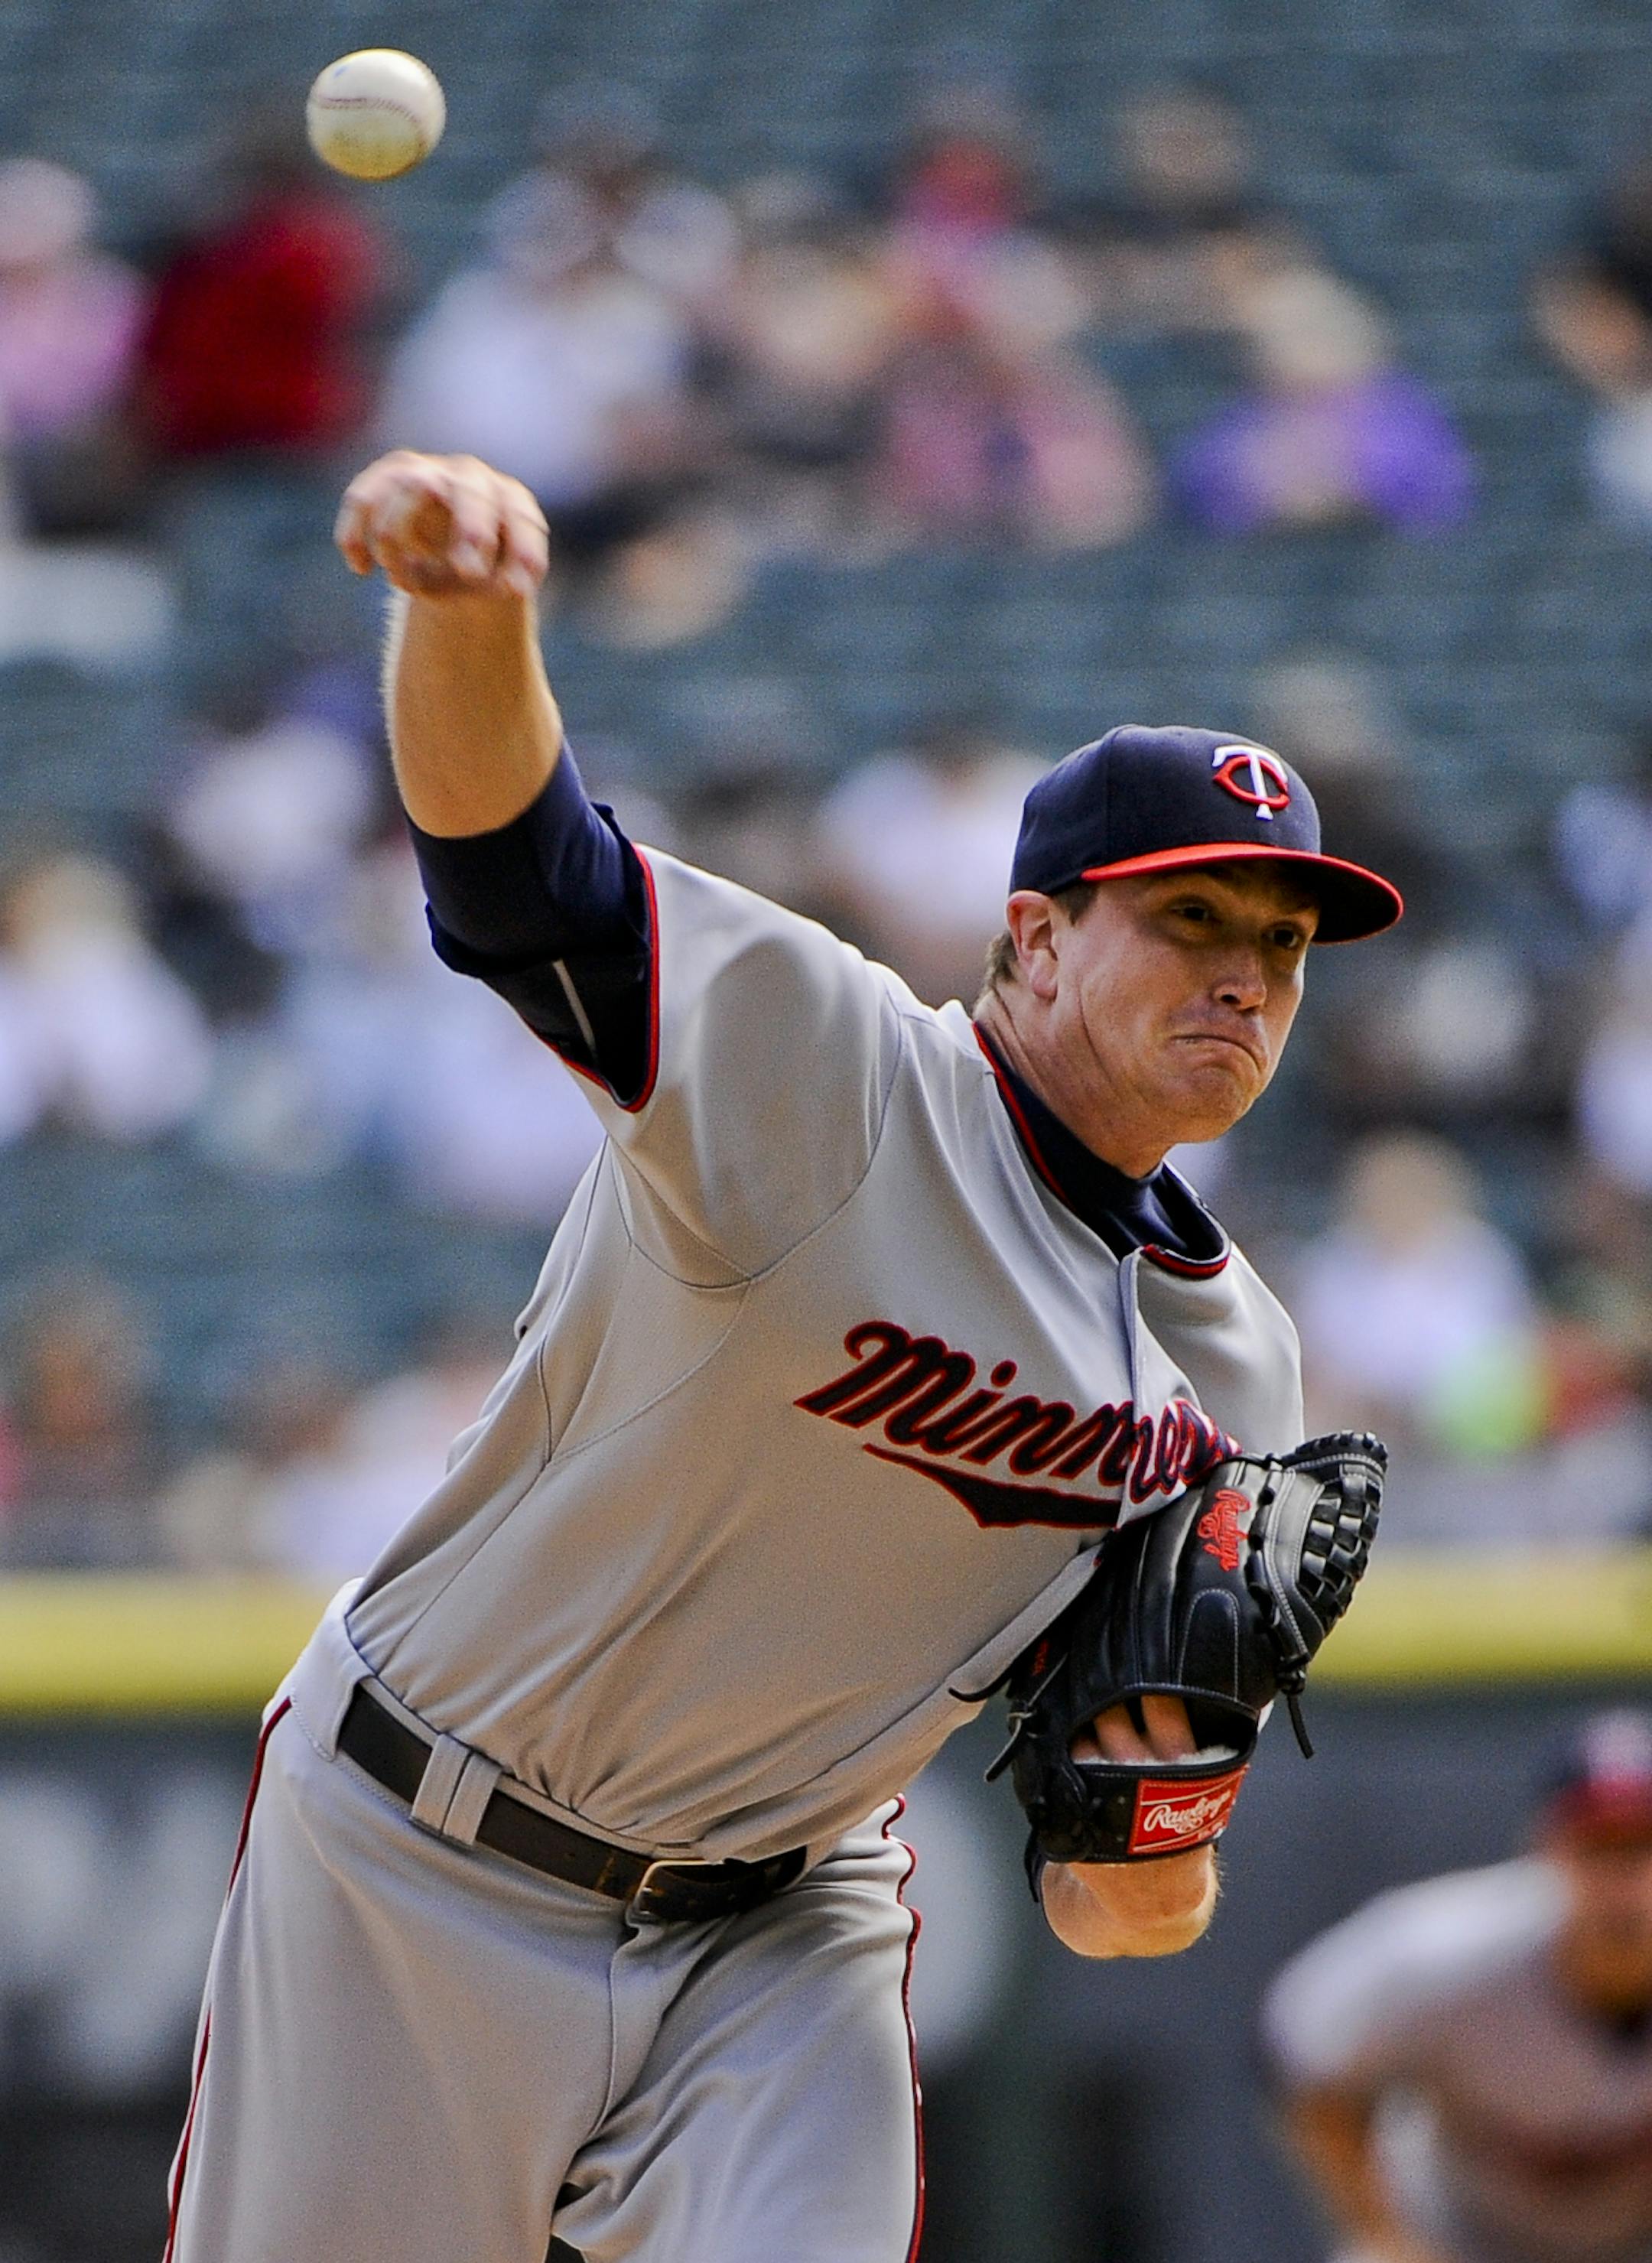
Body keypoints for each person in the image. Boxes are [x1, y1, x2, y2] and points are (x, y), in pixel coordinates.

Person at [165, 447, 1403, 2263]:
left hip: (784, 1916)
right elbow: (520, 871)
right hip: (421, 1844)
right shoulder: (835, 1078)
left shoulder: (1233, 1368)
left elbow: (1108, 1909)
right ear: (1037, 937)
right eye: (1190, 918)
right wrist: (470, 612)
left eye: (1282, 945)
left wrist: (1160, 1821)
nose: (1245, 976)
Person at [1264, 1710, 1652, 2263]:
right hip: (1454, 2235)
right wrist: (1388, 2238)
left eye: (1643, 1845)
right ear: (1547, 1848)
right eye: (1599, 1846)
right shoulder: (1451, 1953)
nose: (1625, 1881)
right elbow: (1300, 2052)